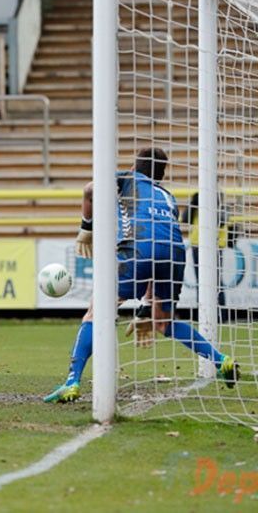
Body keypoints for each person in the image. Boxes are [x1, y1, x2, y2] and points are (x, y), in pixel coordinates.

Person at [44, 147, 240, 403]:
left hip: (137, 247)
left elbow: (90, 190)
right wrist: (146, 308)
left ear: (135, 167)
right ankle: (221, 360)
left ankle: (72, 382)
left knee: (95, 312)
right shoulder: (168, 197)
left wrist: (86, 228)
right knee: (164, 322)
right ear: (160, 175)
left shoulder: (127, 178)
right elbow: (159, 245)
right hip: (174, 253)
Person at [181, 191, 229, 322]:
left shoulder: (221, 209)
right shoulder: (197, 210)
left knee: (216, 281)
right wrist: (192, 204)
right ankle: (203, 315)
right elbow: (185, 219)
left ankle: (221, 315)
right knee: (200, 281)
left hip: (215, 247)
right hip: (198, 246)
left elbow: (222, 221)